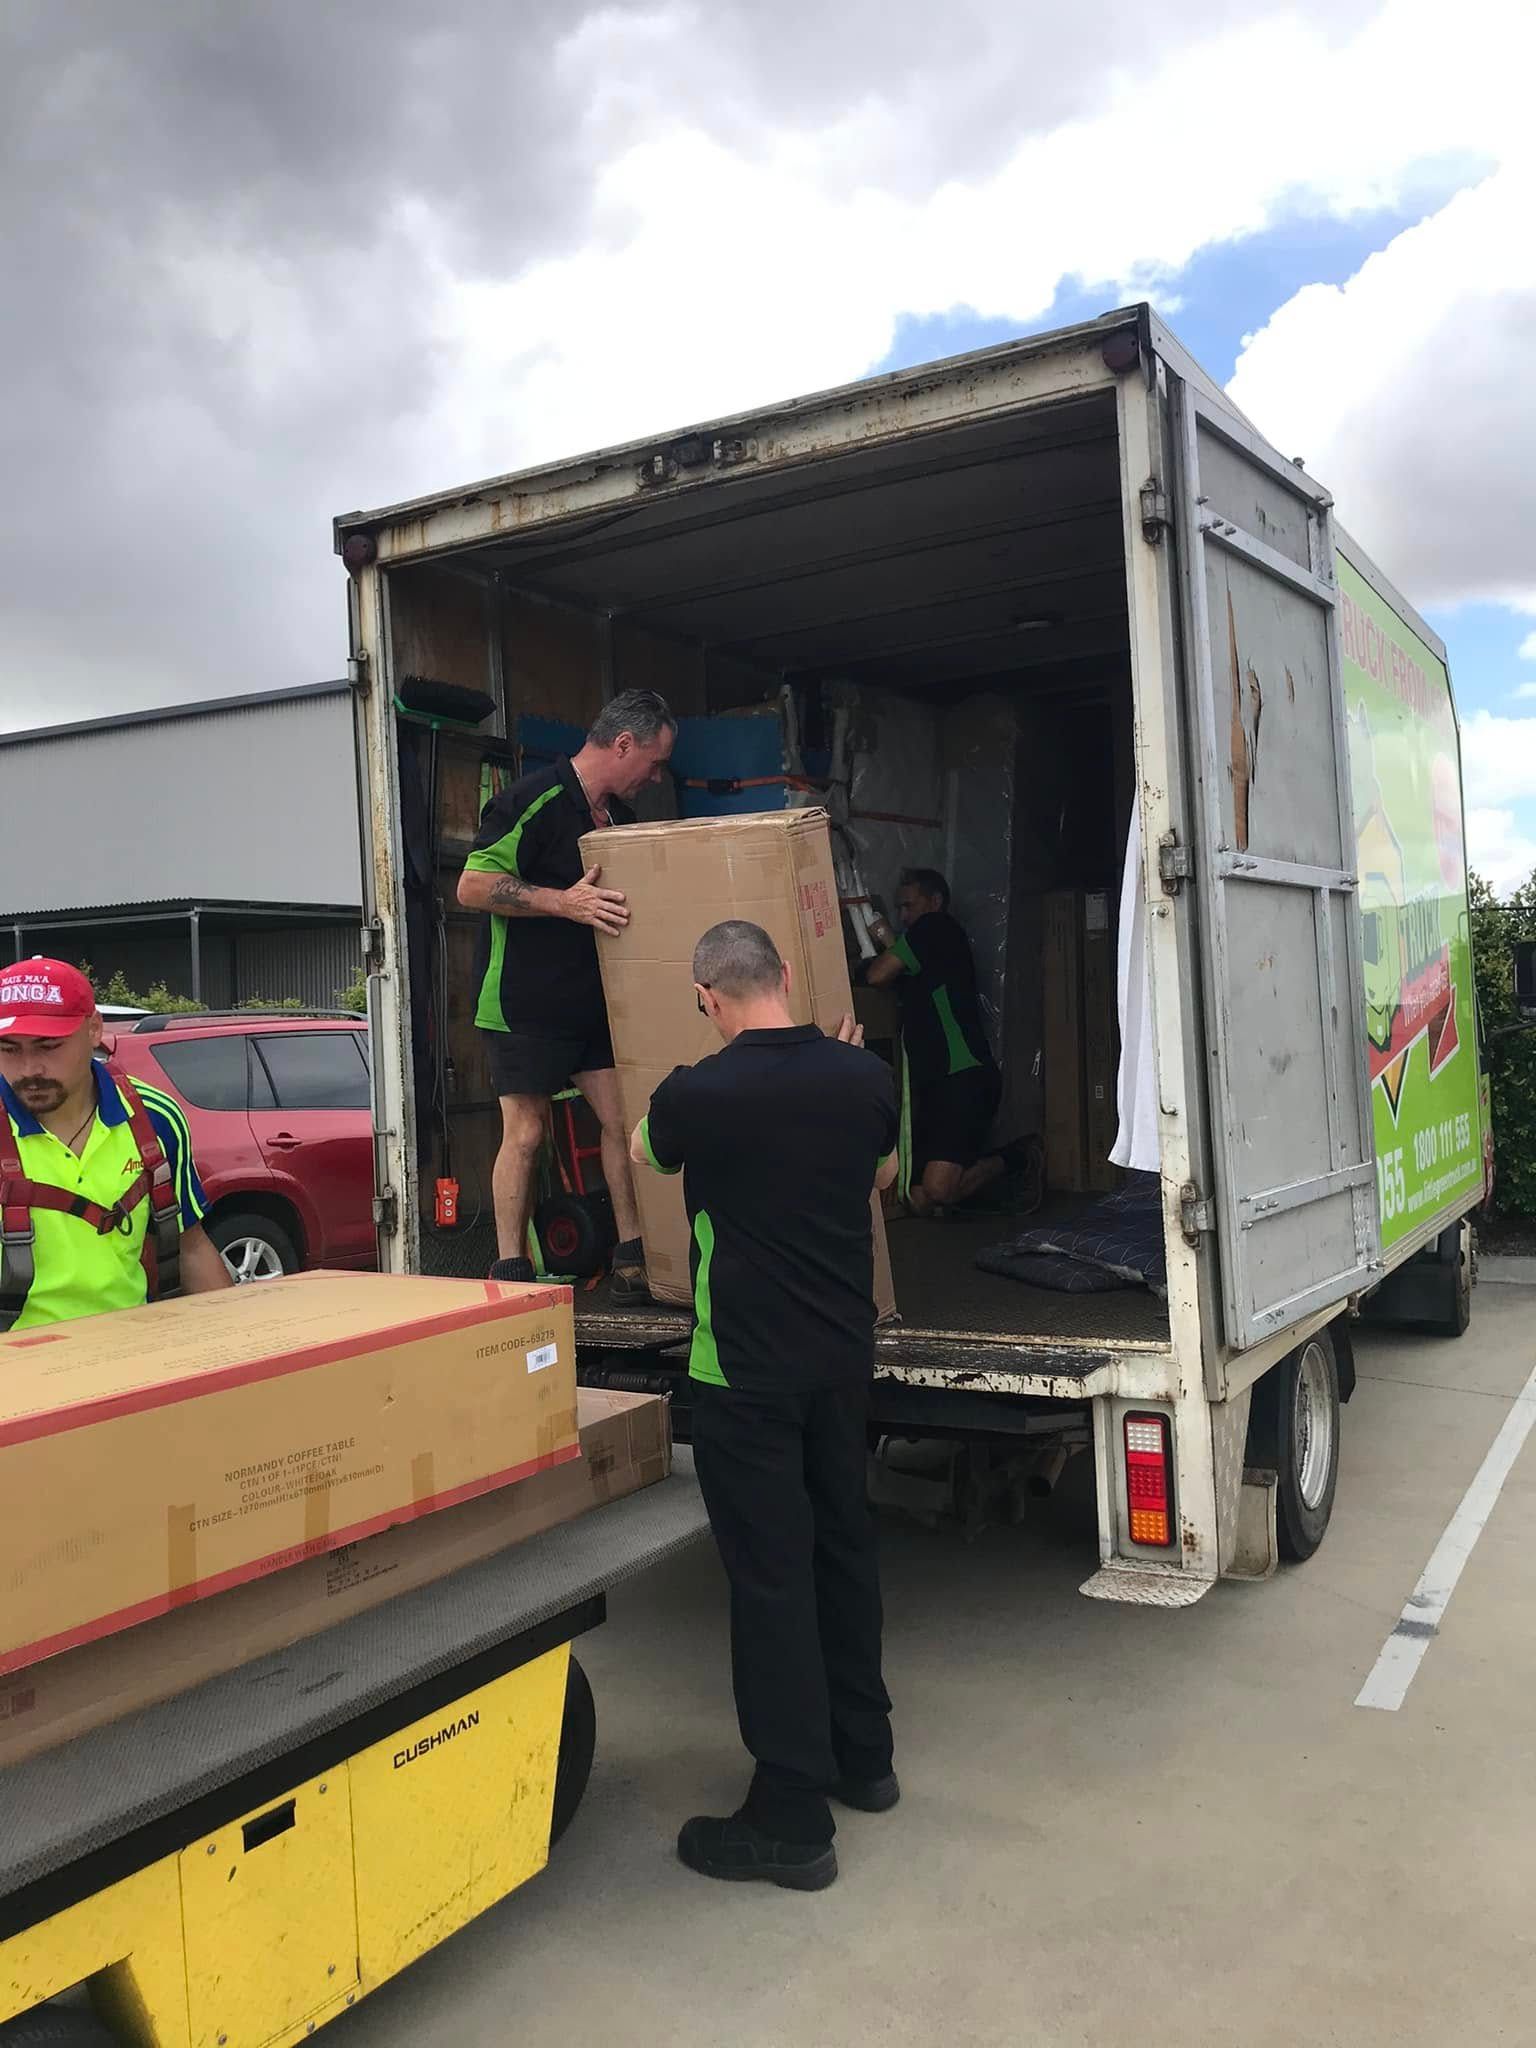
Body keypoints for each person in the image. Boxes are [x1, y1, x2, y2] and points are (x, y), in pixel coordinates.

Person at [631, 919, 899, 1891]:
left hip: (743, 1375)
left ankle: (790, 1815)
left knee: (770, 1580)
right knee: (843, 1549)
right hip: (840, 1364)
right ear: (786, 973)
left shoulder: (695, 1095)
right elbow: (883, 1175)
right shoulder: (867, 1079)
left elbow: (645, 1151)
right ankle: (865, 1758)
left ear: (708, 996)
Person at [458, 688, 676, 1299]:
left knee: (624, 1123)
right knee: (526, 1133)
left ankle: (632, 1259)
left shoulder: (621, 821)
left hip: (594, 1003)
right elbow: (472, 886)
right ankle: (510, 1273)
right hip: (522, 1003)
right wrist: (563, 902)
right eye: (655, 762)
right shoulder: (531, 799)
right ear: (624, 744)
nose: (657, 777)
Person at [0, 958, 232, 1330]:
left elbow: (191, 1247)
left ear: (94, 1029)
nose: (29, 1069)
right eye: (9, 1049)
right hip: (17, 1356)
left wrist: (237, 1343)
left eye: (48, 1046)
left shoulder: (154, 1118)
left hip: (131, 1347)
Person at [865, 866, 1006, 1216]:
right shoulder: (929, 945)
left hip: (962, 1075)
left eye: (909, 906)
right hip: (938, 1082)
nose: (903, 916)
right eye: (899, 908)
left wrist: (882, 939)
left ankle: (1014, 1159)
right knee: (918, 1197)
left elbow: (878, 974)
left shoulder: (935, 927)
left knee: (938, 1190)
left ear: (935, 901)